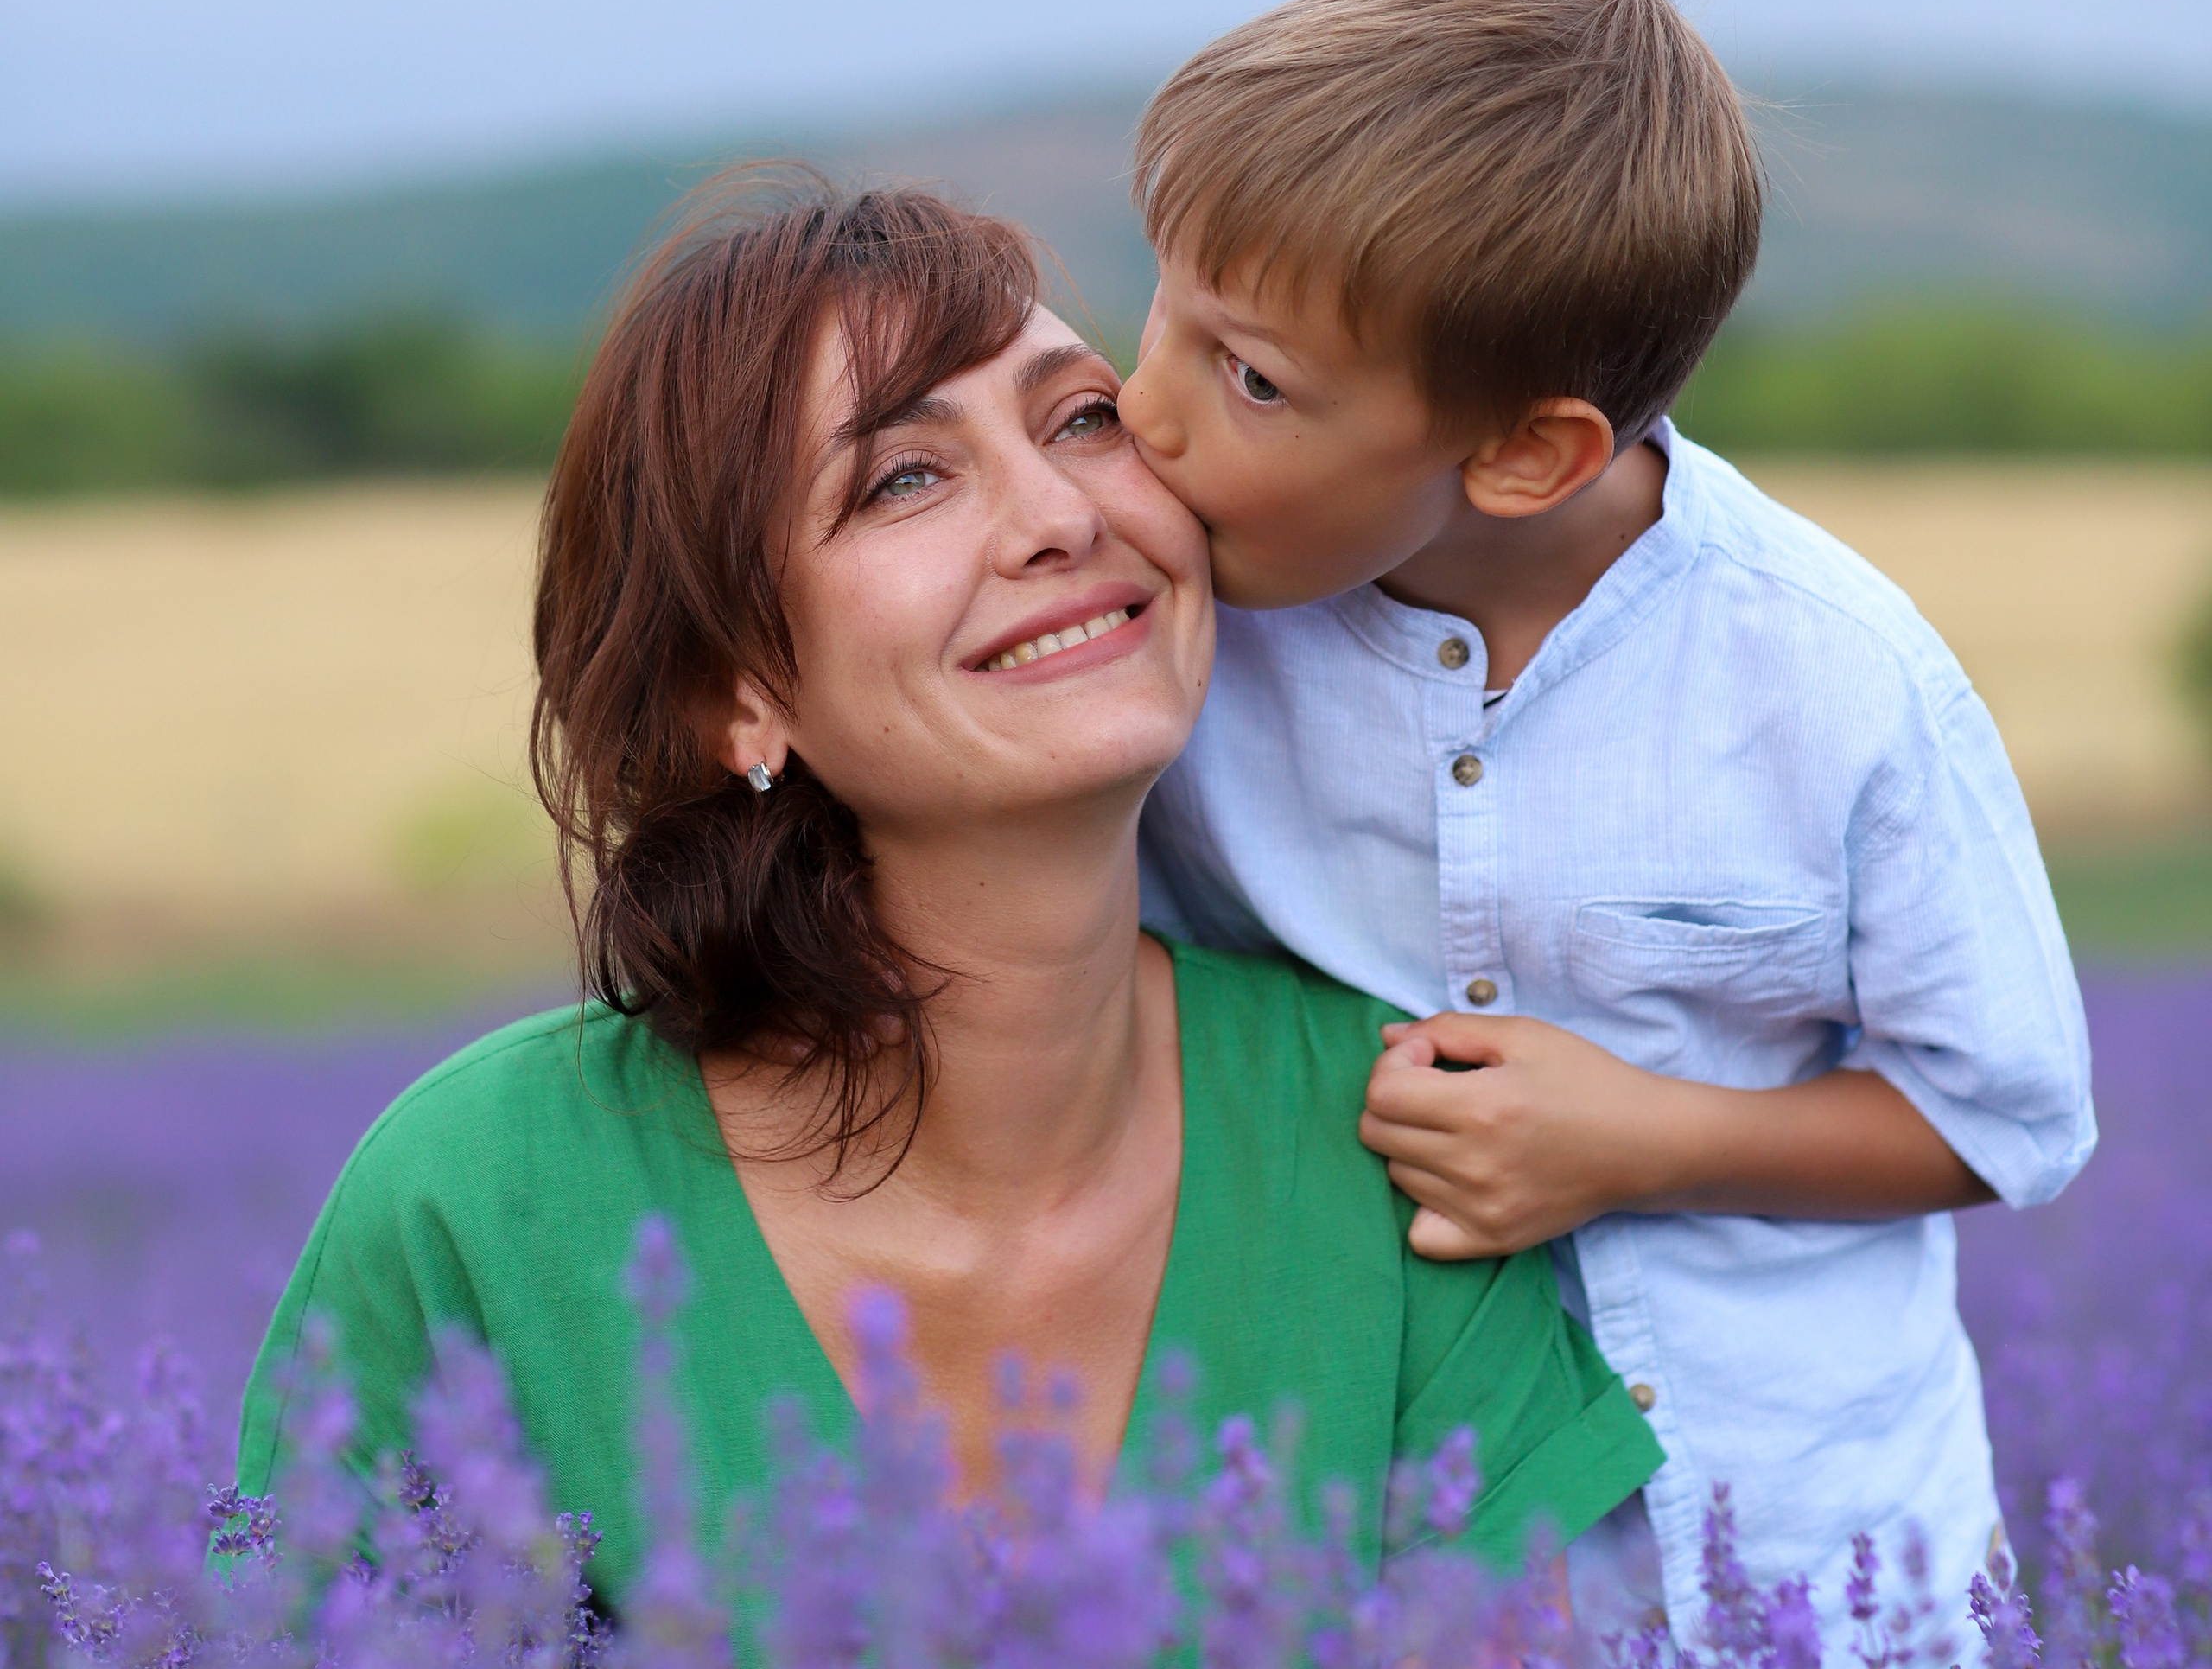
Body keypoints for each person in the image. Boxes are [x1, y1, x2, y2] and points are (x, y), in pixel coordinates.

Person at [236, 181, 1662, 1607]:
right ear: (731, 693)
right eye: (903, 479)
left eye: (1082, 420)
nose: (1058, 517)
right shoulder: (479, 1210)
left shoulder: (1390, 1129)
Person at [1118, 0, 2097, 1649]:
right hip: (1385, 1560)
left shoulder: (1831, 676)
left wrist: (1640, 1136)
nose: (1147, 410)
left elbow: (2005, 1112)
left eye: (1249, 376)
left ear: (1522, 451)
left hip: (1804, 1550)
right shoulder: (1180, 625)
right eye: (1168, 315)